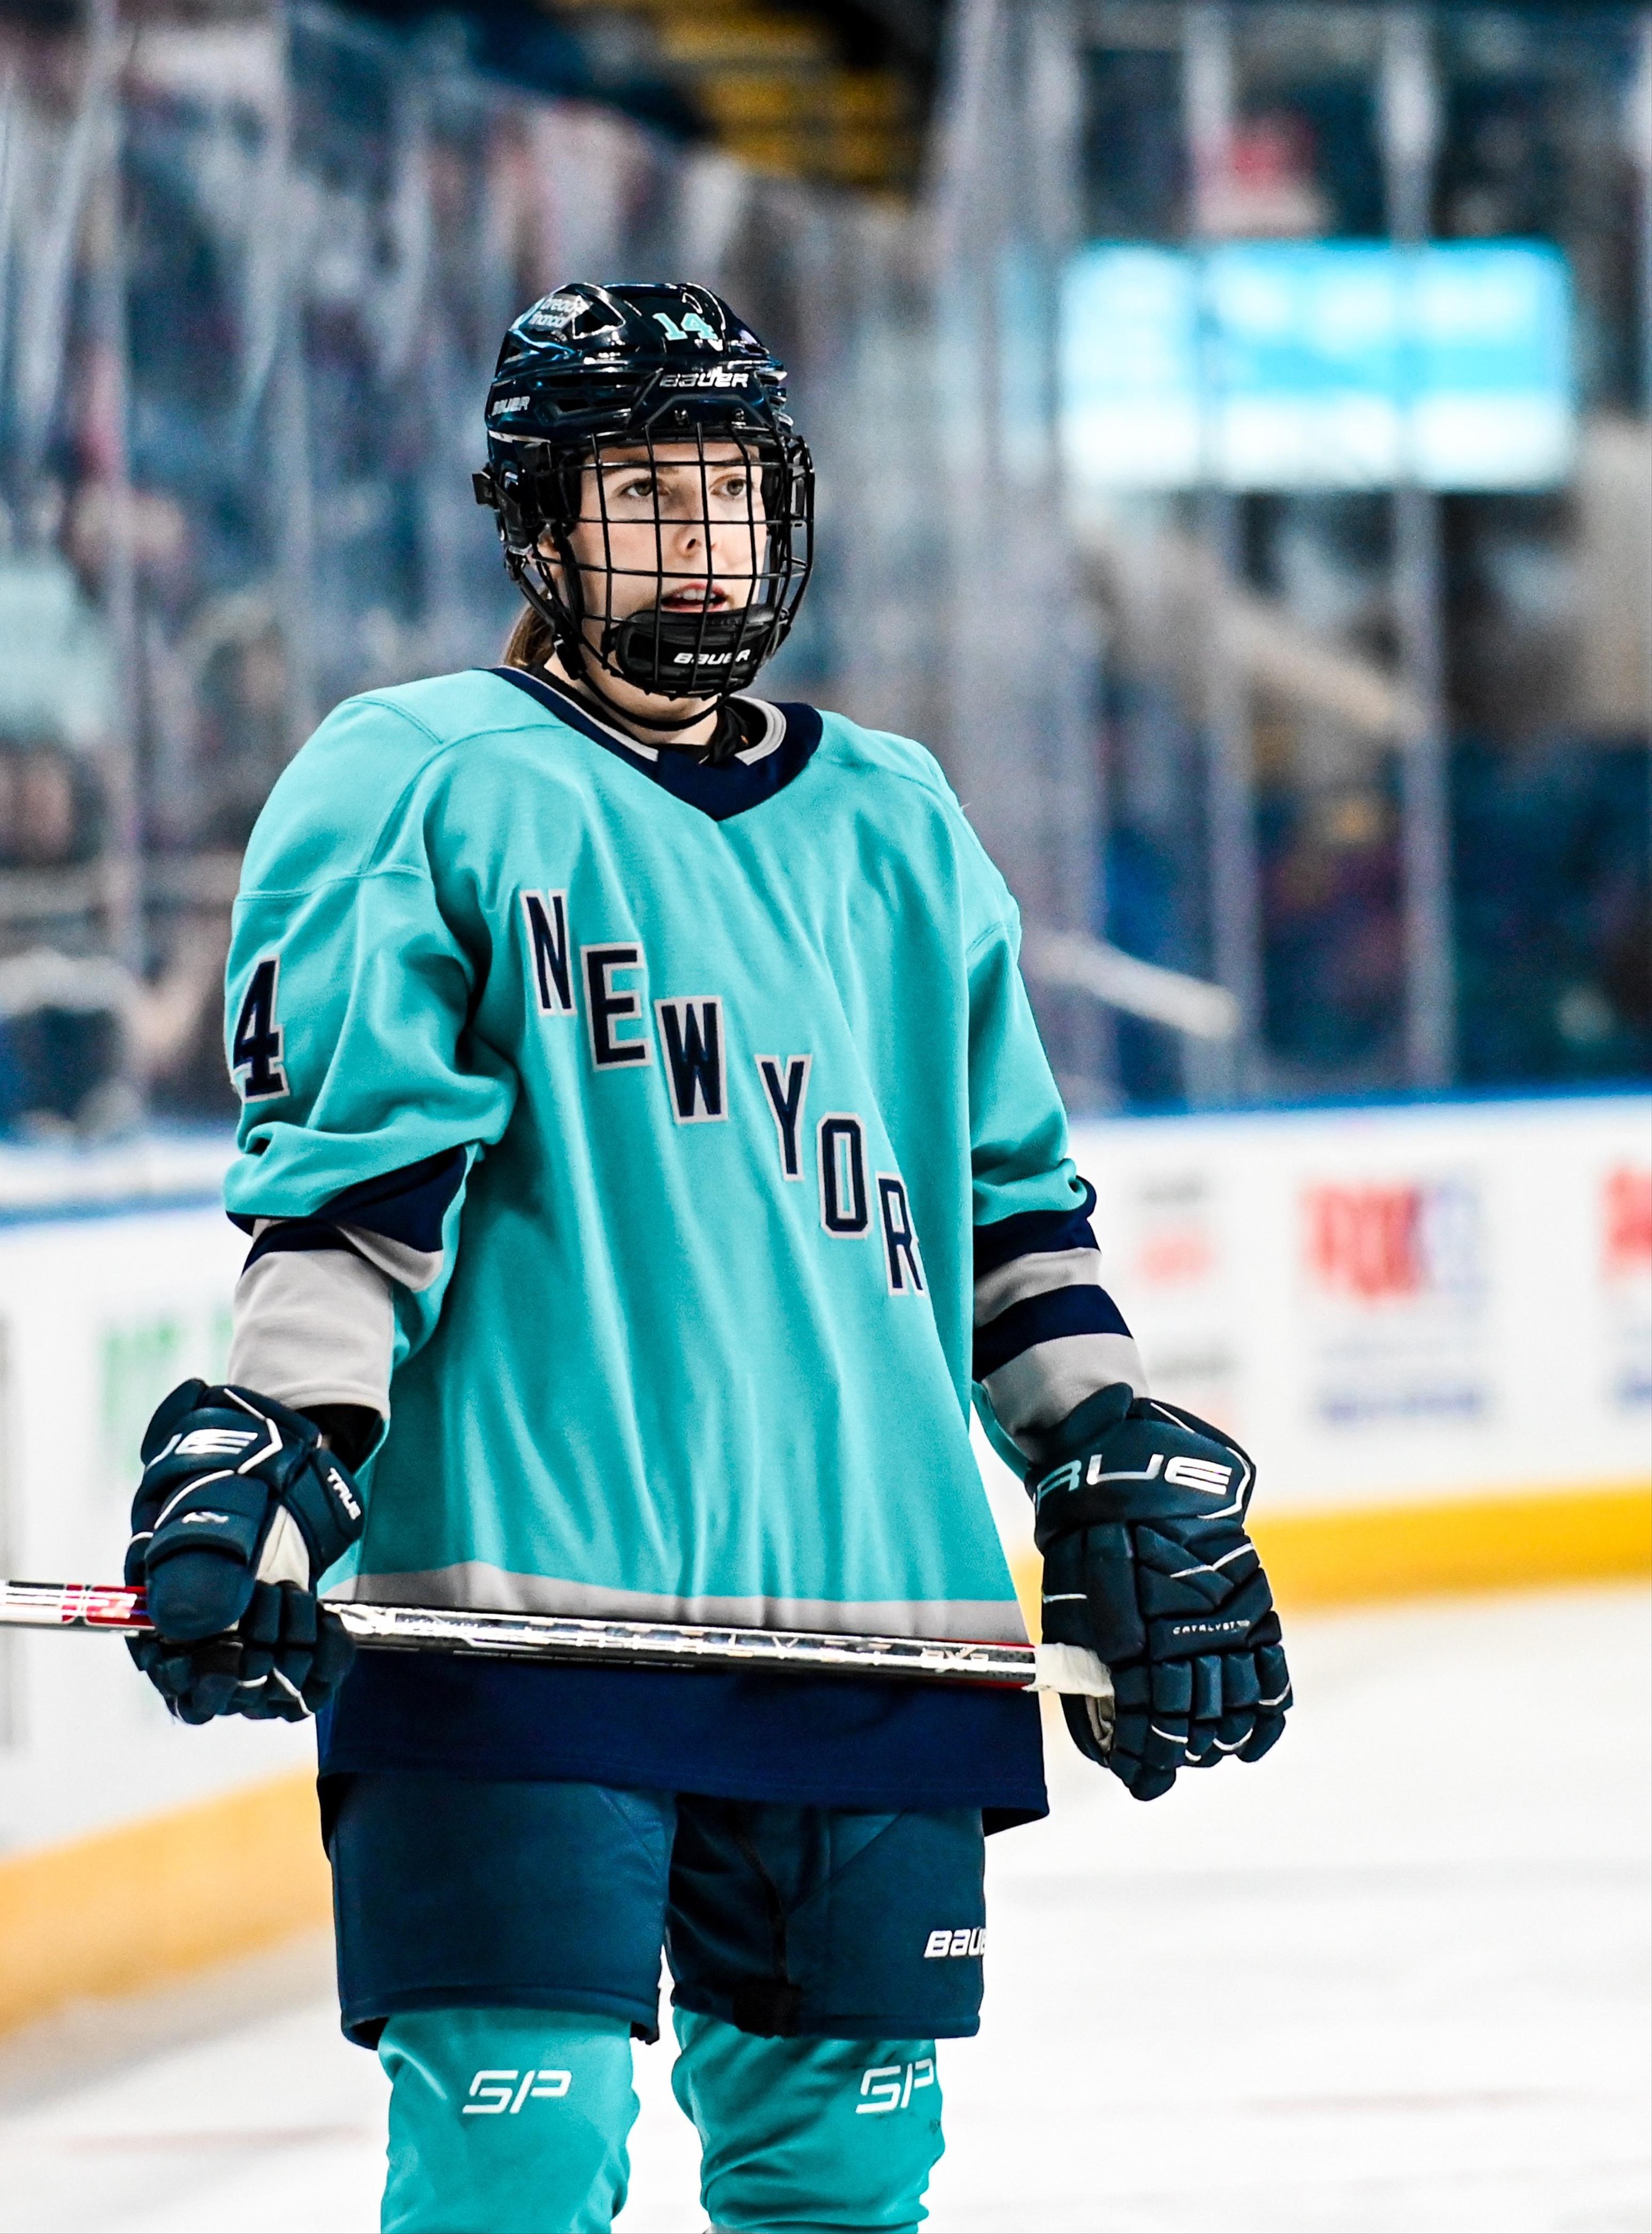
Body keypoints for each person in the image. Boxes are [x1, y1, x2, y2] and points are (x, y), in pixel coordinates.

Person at [122, 281, 1292, 2233]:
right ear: (535, 523)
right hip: (520, 1626)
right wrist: (281, 1445)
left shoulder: (900, 821)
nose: (699, 541)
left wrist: (1101, 1458)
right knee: (520, 2155)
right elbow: (348, 1195)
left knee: (842, 2183)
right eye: (642, 495)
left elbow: (1011, 1221)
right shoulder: (422, 780)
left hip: (872, 1628)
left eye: (728, 493)